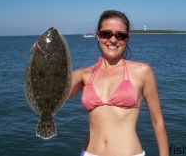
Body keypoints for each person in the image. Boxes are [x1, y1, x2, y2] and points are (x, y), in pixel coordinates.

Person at [70, 10, 168, 156]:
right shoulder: (82, 74)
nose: (113, 40)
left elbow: (157, 120)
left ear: (127, 39)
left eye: (120, 35)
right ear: (97, 35)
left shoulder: (142, 71)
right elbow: (53, 95)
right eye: (106, 34)